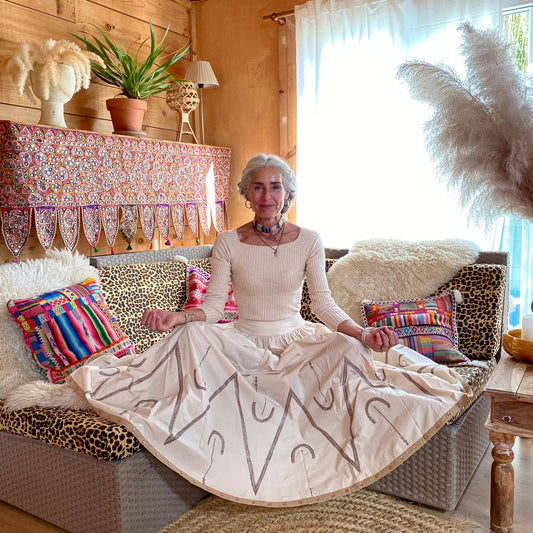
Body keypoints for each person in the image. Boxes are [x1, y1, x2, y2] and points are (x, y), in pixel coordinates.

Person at [69, 154, 470, 506]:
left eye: (275, 186)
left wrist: (363, 334)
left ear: (287, 193)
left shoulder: (309, 240)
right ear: (247, 194)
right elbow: (213, 307)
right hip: (242, 340)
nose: (266, 195)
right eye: (258, 187)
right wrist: (179, 317)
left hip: (297, 338)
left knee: (350, 351)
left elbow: (323, 305)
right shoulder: (228, 241)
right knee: (187, 336)